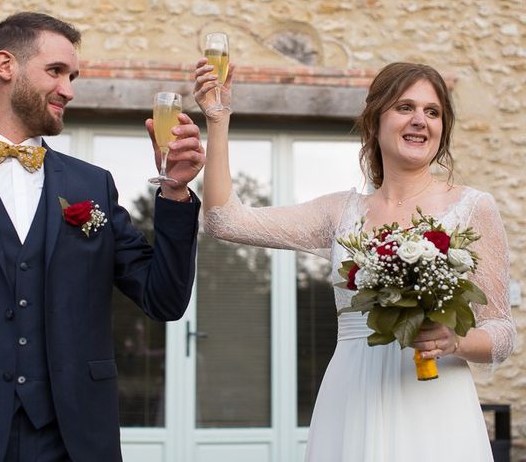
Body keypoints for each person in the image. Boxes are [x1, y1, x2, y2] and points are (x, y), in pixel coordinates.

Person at [0, 12, 204, 462]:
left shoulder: (92, 185)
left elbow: (164, 299)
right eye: (56, 71)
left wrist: (174, 192)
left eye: (72, 76)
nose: (69, 89)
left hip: (73, 439)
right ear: (5, 66)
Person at [194, 60, 515, 461]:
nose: (420, 121)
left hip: (434, 401)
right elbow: (224, 220)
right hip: (353, 395)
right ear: (375, 120)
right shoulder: (340, 213)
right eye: (404, 108)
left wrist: (455, 340)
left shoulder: (473, 207)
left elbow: (501, 332)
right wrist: (218, 118)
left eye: (432, 112)